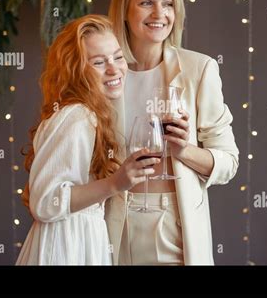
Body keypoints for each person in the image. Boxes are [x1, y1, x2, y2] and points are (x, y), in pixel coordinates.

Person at [106, 0, 240, 265]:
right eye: (145, 3)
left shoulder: (198, 69)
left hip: (172, 226)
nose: (159, 14)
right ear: (124, 10)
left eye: (167, 4)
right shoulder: (104, 74)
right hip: (110, 221)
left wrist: (184, 150)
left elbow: (229, 162)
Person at [16, 15, 160, 265]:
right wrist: (116, 183)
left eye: (117, 57)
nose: (114, 69)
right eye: (98, 62)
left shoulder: (85, 114)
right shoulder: (78, 116)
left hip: (80, 240)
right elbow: (44, 203)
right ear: (76, 70)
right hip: (66, 246)